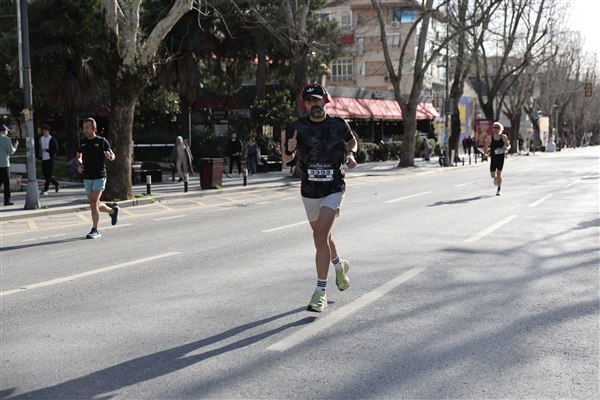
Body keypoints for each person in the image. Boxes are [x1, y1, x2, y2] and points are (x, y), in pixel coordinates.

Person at [282, 82, 357, 312]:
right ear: (304, 105)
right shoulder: (297, 128)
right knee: (323, 238)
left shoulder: (338, 124)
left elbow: (352, 141)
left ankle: (320, 292)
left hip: (334, 188)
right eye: (309, 101)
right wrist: (289, 149)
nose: (313, 104)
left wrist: (350, 154)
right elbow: (286, 160)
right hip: (310, 191)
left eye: (317, 99)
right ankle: (339, 267)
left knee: (320, 235)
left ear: (325, 101)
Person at [75, 118, 119, 239]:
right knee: (94, 204)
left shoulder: (102, 141)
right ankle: (112, 211)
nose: (85, 130)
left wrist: (109, 156)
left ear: (94, 129)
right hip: (87, 176)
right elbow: (78, 156)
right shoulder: (82, 142)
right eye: (84, 128)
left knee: (93, 203)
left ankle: (95, 230)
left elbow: (113, 155)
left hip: (99, 176)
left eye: (87, 127)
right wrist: (79, 164)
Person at [483, 121, 511, 196]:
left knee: (499, 173)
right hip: (493, 158)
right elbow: (485, 146)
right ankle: (495, 178)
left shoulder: (503, 137)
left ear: (500, 129)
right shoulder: (490, 138)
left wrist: (507, 148)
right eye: (494, 127)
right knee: (492, 175)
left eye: (497, 128)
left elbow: (508, 145)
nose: (495, 129)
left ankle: (499, 189)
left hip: (501, 157)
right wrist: (485, 153)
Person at [38, 124, 60, 195]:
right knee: (45, 175)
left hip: (50, 159)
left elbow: (56, 149)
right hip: (43, 159)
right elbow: (39, 148)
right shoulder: (41, 138)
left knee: (48, 174)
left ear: (48, 131)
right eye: (43, 131)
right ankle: (56, 183)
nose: (44, 132)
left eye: (45, 131)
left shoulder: (52, 139)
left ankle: (45, 189)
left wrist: (47, 150)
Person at [0, 124, 18, 206]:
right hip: (4, 164)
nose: (7, 132)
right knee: (6, 183)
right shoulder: (6, 139)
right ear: (4, 131)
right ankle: (7, 200)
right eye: (7, 131)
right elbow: (11, 151)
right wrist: (15, 145)